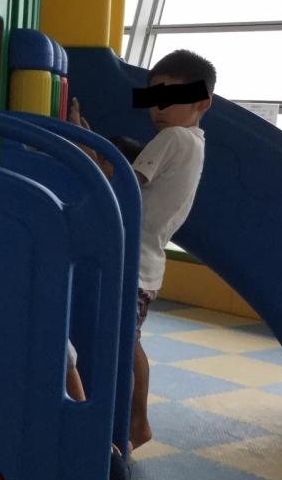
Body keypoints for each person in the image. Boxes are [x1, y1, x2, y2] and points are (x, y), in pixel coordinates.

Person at [70, 48, 215, 451]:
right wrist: (93, 146)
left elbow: (121, 185)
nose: (158, 108)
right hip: (149, 262)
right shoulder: (194, 142)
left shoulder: (172, 138)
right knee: (129, 341)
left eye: (170, 97)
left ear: (202, 102)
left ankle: (137, 422)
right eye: (153, 98)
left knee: (125, 344)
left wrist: (81, 146)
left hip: (132, 262)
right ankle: (136, 421)